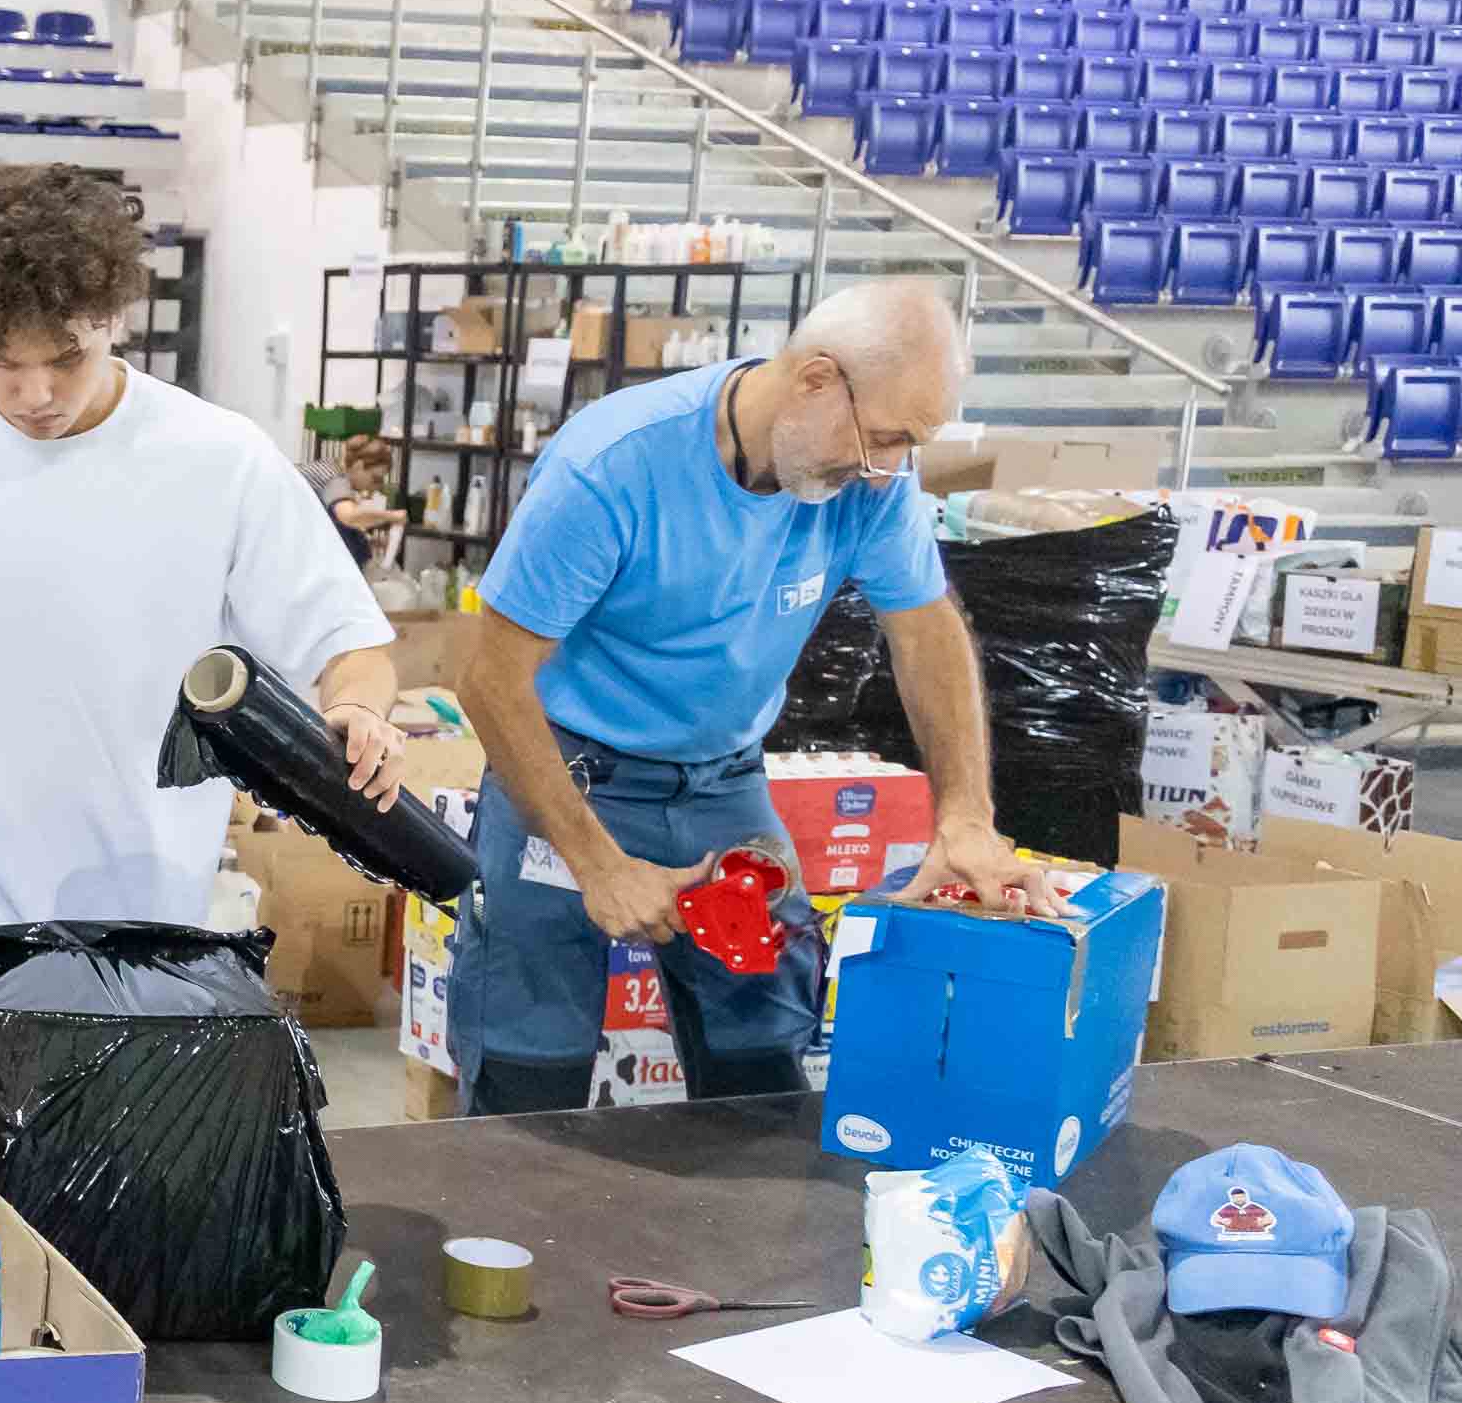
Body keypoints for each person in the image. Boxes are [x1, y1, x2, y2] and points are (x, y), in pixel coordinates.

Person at [446, 279, 1067, 1118]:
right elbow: (489, 679)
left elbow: (926, 632)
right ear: (816, 378)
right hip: (565, 776)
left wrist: (964, 816)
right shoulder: (614, 467)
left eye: (908, 447)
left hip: (722, 782)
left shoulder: (872, 488)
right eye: (884, 438)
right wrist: (597, 865)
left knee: (766, 1056)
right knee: (530, 1067)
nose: (888, 469)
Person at [0, 163, 402, 929]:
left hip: (157, 908)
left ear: (115, 318)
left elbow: (351, 643)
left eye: (66, 357)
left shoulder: (221, 460)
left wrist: (357, 710)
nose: (35, 395)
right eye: (3, 363)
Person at [310, 436, 408, 568]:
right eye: (375, 478)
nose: (374, 487)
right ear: (359, 466)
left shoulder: (331, 468)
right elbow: (350, 517)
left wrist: (369, 541)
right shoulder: (335, 480)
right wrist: (391, 516)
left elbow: (336, 525)